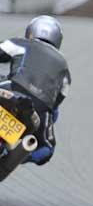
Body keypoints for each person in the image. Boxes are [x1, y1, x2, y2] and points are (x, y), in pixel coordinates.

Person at [0, 15, 70, 166]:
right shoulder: (65, 69)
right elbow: (56, 106)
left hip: (11, 90)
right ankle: (13, 156)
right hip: (39, 112)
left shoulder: (21, 43)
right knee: (47, 149)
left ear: (31, 31)